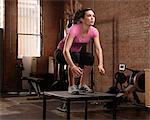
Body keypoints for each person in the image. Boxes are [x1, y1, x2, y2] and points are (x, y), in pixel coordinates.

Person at [55, 8, 105, 94]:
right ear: (82, 19)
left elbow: (98, 48)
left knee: (89, 57)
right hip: (60, 53)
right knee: (75, 55)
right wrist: (73, 66)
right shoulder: (74, 29)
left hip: (75, 54)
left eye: (93, 16)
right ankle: (71, 86)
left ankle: (82, 85)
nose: (92, 18)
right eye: (89, 16)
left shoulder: (94, 31)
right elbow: (65, 50)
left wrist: (100, 64)